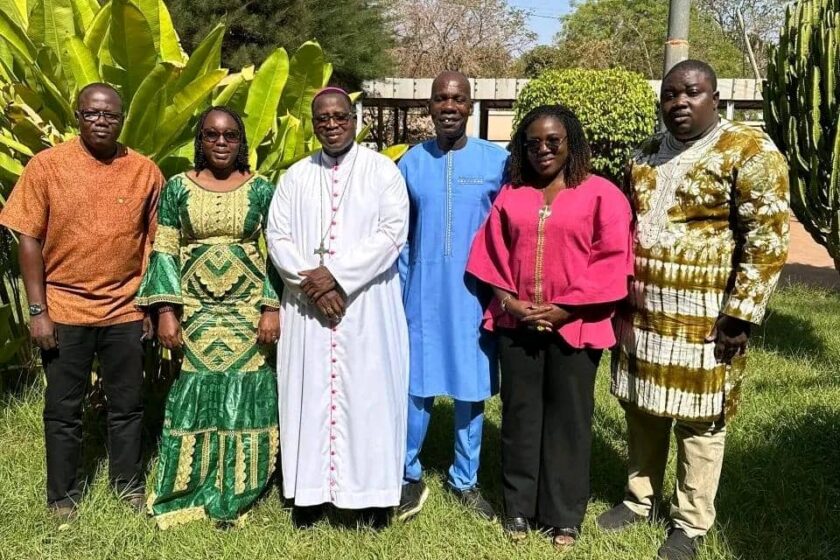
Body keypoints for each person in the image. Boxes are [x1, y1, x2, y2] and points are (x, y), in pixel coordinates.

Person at [597, 60, 789, 560]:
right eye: (670, 94)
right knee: (641, 408)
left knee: (701, 422)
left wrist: (740, 314)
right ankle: (638, 500)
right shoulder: (644, 154)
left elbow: (767, 239)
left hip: (708, 319)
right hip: (642, 314)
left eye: (692, 92)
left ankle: (690, 523)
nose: (679, 102)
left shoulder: (748, 151)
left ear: (715, 98)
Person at [466, 105, 633, 549]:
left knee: (569, 419)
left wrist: (565, 308)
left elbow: (612, 259)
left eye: (553, 141)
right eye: (533, 142)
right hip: (517, 324)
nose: (543, 149)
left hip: (576, 327)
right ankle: (518, 507)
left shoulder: (601, 194)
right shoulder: (513, 194)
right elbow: (490, 253)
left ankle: (564, 514)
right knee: (520, 417)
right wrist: (510, 302)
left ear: (570, 143)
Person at [0, 83, 164, 521]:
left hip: (125, 308)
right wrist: (38, 311)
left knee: (127, 406)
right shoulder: (47, 166)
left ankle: (128, 485)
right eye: (92, 113)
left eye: (110, 115)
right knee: (62, 409)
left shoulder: (144, 171)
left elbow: (155, 243)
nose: (101, 121)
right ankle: (62, 497)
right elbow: (29, 239)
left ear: (122, 119)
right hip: (65, 309)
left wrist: (149, 306)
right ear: (77, 116)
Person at [265, 87, 409, 527]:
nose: (331, 125)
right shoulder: (295, 177)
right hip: (308, 309)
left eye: (340, 116)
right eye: (322, 118)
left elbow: (392, 233)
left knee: (368, 399)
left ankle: (372, 499)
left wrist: (338, 276)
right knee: (309, 396)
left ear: (354, 119)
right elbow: (277, 237)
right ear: (314, 124)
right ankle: (309, 497)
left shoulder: (383, 172)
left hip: (365, 307)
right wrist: (315, 286)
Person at [135, 106, 282, 529]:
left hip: (246, 313)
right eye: (212, 135)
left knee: (245, 394)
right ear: (200, 140)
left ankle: (238, 491)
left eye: (230, 135)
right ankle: (190, 486)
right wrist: (166, 311)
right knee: (195, 392)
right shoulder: (177, 188)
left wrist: (271, 307)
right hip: (196, 313)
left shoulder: (262, 189)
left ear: (241, 142)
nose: (221, 142)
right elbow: (165, 250)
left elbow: (278, 253)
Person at [395, 71, 507, 522]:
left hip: (474, 296)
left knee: (470, 387)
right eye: (441, 98)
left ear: (470, 106)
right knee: (414, 388)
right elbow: (399, 235)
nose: (449, 106)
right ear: (429, 107)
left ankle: (465, 479)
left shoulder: (496, 162)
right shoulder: (410, 163)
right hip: (420, 294)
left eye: (457, 99)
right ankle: (406, 473)